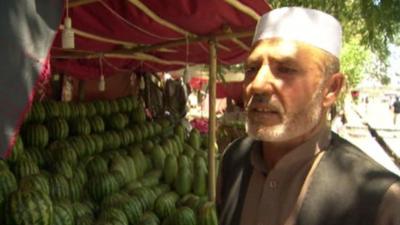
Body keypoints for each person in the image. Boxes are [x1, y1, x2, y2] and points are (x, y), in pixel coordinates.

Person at [217, 7, 400, 225]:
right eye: (252, 68)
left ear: (331, 89)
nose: (257, 84)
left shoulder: (382, 201)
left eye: (285, 69)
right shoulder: (234, 160)